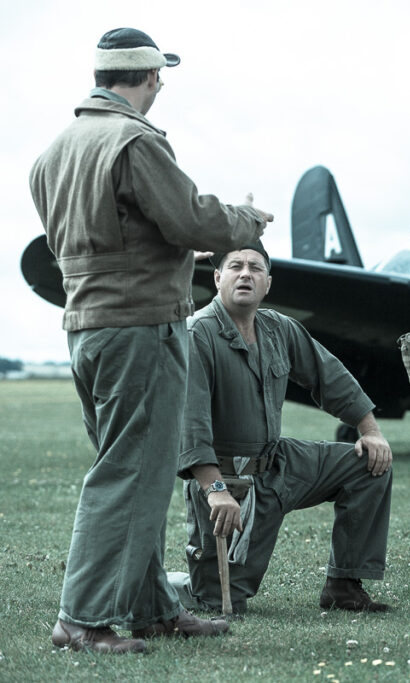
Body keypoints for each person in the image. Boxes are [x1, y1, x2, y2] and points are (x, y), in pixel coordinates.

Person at [28, 28, 272, 653]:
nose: (161, 84)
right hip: (140, 327)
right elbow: (191, 219)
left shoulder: (55, 149)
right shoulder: (133, 141)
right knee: (132, 472)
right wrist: (243, 221)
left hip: (87, 328)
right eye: (159, 75)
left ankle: (152, 609)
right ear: (149, 78)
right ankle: (81, 619)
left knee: (135, 469)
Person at [173, 243, 393, 614]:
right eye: (236, 267)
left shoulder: (279, 328)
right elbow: (190, 424)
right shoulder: (198, 335)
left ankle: (343, 585)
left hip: (279, 464)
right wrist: (216, 491)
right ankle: (163, 583)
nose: (245, 274)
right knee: (219, 600)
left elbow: (330, 377)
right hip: (229, 484)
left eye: (255, 268)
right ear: (217, 278)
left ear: (268, 283)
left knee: (368, 466)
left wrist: (369, 429)